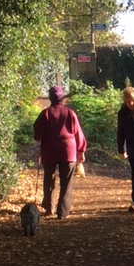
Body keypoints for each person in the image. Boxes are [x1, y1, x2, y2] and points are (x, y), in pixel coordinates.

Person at [33, 85, 87, 219]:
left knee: (49, 179)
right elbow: (78, 133)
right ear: (63, 97)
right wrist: (81, 150)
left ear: (50, 97)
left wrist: (38, 137)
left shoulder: (46, 113)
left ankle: (49, 208)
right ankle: (62, 212)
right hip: (68, 150)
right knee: (66, 182)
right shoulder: (70, 113)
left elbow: (37, 131)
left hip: (49, 150)